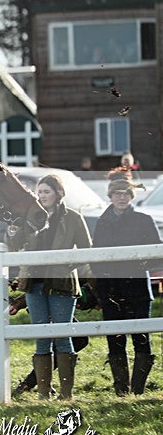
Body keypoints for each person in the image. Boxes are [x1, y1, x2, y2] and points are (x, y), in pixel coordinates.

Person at [6, 174, 92, 400]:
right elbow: (14, 246)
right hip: (34, 284)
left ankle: (66, 394)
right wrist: (13, 230)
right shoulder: (30, 217)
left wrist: (65, 265)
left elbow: (86, 249)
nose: (42, 196)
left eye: (47, 191)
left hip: (62, 282)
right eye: (40, 191)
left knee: (63, 336)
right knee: (41, 337)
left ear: (58, 193)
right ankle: (43, 393)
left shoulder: (73, 217)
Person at [92, 168, 160, 396]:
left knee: (141, 338)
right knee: (115, 339)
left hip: (138, 287)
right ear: (110, 196)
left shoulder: (143, 220)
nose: (122, 197)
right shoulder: (102, 222)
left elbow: (156, 253)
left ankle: (138, 390)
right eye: (117, 194)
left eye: (126, 194)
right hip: (110, 288)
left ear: (132, 196)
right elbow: (96, 256)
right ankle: (121, 390)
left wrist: (137, 266)